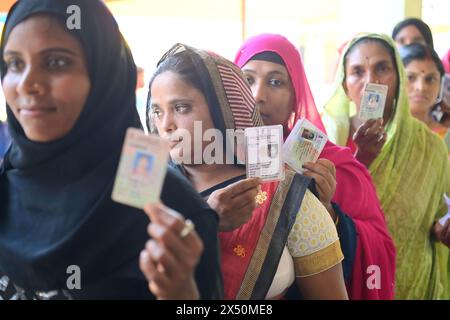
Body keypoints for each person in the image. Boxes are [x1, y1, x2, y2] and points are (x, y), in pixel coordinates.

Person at [0, 0, 222, 300]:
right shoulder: (7, 183)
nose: (27, 84)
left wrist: (182, 294)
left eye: (56, 62)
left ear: (104, 73)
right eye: (14, 63)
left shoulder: (174, 212)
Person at [147, 43, 349, 300]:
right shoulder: (147, 179)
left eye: (181, 107)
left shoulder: (284, 195)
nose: (166, 125)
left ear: (224, 108)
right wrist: (207, 221)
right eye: (157, 111)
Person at [235, 33, 396, 300]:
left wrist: (331, 215)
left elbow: (381, 247)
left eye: (275, 82)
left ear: (295, 95)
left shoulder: (331, 165)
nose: (257, 95)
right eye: (247, 79)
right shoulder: (210, 161)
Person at [322, 33, 450, 299]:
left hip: (410, 281)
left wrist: (442, 229)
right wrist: (361, 160)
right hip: (344, 282)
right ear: (345, 86)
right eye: (358, 71)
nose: (372, 81)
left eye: (382, 68)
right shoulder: (325, 140)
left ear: (398, 78)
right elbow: (318, 213)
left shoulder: (428, 146)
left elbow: (440, 213)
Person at [399, 43, 450, 137]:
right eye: (410, 77)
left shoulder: (446, 138)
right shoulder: (379, 135)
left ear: (441, 84)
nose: (421, 87)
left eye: (430, 79)